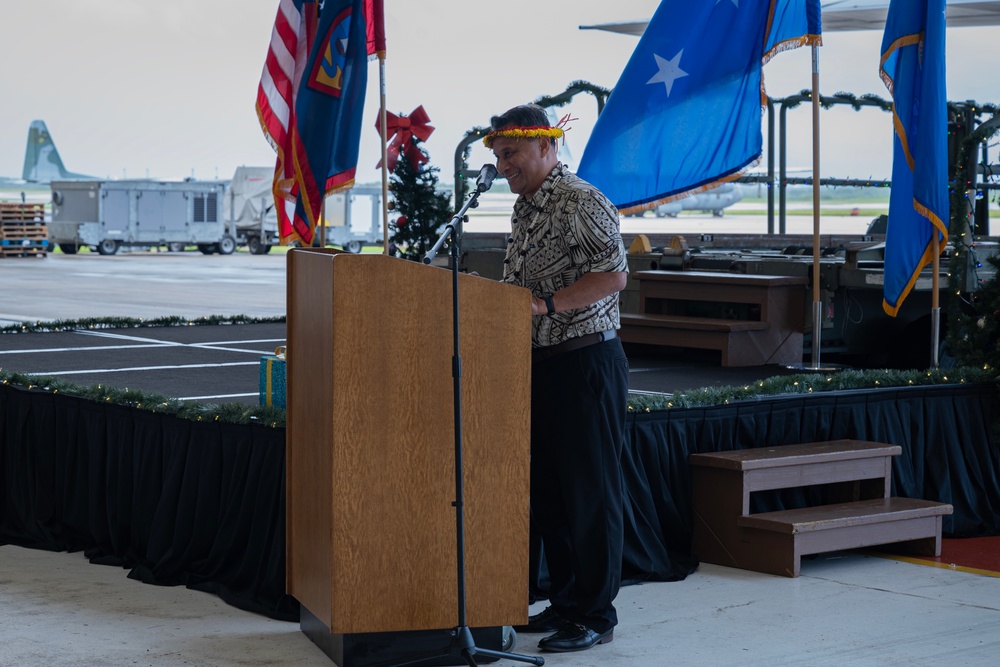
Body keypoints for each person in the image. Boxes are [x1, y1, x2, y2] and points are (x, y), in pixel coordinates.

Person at [483, 104, 629, 653]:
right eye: (498, 154)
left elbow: (613, 274)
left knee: (588, 495)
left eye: (511, 153)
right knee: (550, 496)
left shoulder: (581, 202)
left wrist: (546, 304)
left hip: (584, 362)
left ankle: (595, 614)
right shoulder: (525, 207)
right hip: (539, 367)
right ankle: (566, 601)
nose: (502, 166)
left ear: (546, 146)